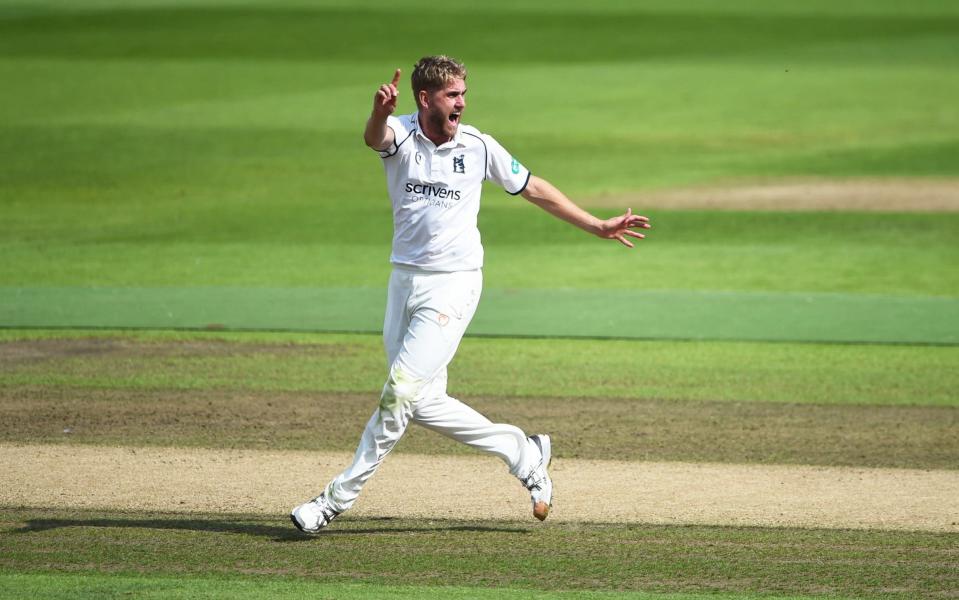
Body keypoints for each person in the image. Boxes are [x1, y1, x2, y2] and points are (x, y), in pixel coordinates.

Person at [291, 55, 650, 533]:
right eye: (452, 94)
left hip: (455, 283)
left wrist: (596, 225)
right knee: (421, 401)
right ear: (425, 99)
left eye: (463, 92)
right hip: (403, 281)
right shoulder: (401, 134)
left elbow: (533, 186)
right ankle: (522, 452)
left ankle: (333, 501)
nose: (462, 101)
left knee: (398, 392)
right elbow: (373, 138)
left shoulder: (478, 146)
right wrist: (379, 110)